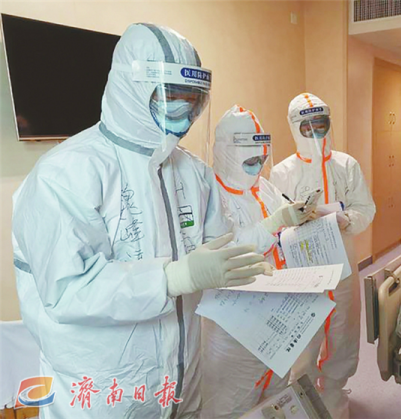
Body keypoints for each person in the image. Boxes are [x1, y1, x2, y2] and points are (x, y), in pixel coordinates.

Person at [12, 24, 265, 418]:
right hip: (103, 389)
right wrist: (172, 278)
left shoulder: (193, 172)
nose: (185, 110)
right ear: (130, 88)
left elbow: (217, 245)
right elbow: (67, 291)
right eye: (171, 96)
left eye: (193, 98)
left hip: (180, 378)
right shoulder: (65, 174)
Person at [200, 105, 314, 418]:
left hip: (276, 312)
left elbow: (283, 221)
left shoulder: (263, 187)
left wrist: (298, 216)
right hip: (234, 325)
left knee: (275, 394)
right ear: (228, 155)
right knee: (231, 404)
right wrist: (275, 222)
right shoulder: (209, 193)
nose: (257, 168)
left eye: (261, 161)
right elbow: (225, 252)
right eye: (250, 162)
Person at [270, 93, 376, 419]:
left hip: (342, 260)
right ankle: (301, 400)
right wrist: (293, 219)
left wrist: (345, 219)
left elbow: (366, 208)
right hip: (302, 265)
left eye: (321, 123)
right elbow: (273, 221)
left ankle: (334, 394)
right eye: (307, 125)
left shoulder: (346, 165)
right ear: (295, 127)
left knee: (343, 329)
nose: (315, 131)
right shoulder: (282, 171)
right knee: (303, 334)